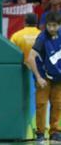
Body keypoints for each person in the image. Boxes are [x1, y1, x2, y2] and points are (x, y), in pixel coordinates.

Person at [28, 12, 61, 142]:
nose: (51, 28)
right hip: (44, 77)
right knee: (41, 105)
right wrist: (38, 77)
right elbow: (30, 58)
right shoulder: (42, 38)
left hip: (58, 77)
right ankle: (40, 133)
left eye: (54, 25)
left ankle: (55, 132)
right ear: (45, 25)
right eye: (49, 25)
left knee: (58, 104)